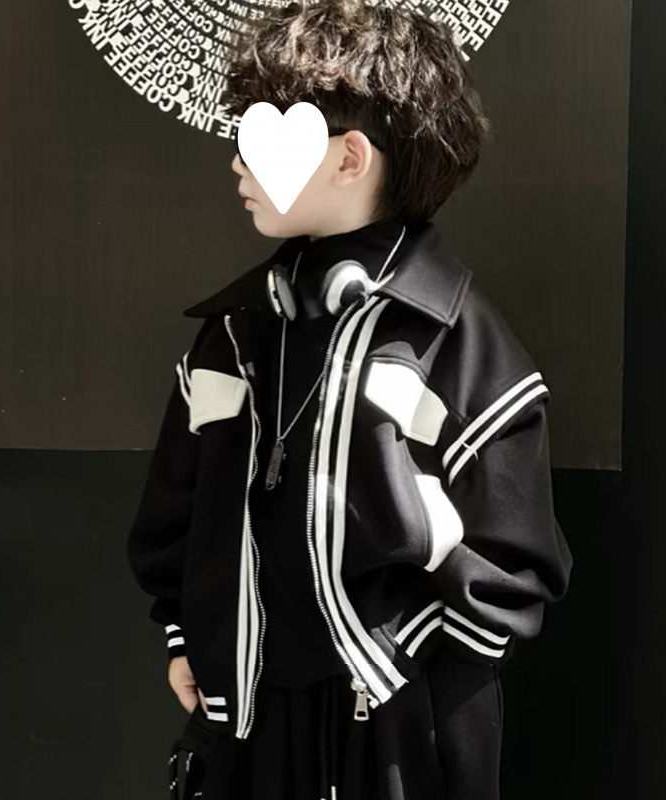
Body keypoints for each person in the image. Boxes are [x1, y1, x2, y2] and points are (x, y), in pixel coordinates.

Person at [128, 2, 574, 798]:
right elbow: (174, 513)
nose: (237, 160)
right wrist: (187, 637)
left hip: (394, 738)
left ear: (350, 157)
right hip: (245, 725)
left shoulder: (459, 347)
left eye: (261, 132)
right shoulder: (235, 334)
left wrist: (404, 671)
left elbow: (515, 566)